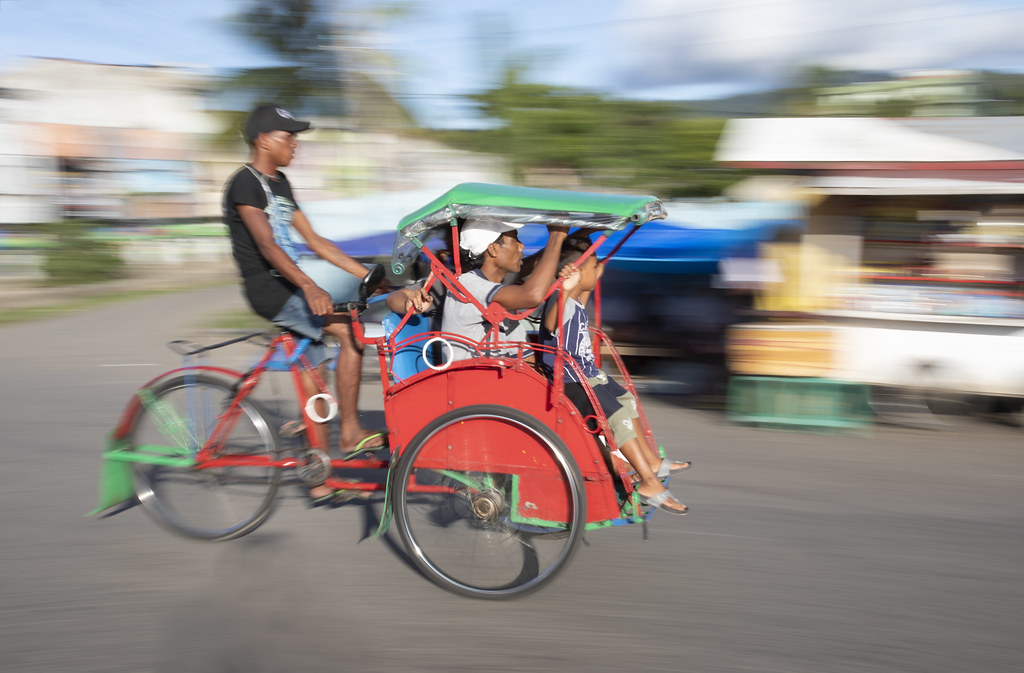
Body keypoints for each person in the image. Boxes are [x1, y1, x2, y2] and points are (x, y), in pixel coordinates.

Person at [222, 102, 387, 504]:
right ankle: (349, 431)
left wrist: (364, 275)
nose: (295, 144)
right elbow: (267, 244)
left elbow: (314, 241)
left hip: (289, 282)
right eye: (288, 136)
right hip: (269, 286)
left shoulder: (280, 184)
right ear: (263, 140)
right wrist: (310, 286)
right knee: (349, 332)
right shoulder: (244, 183)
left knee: (315, 383)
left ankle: (317, 477)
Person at [540, 235, 691, 515]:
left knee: (627, 400)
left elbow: (586, 285)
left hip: (587, 375)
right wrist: (565, 288)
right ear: (578, 272)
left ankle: (650, 462)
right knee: (617, 417)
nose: (598, 272)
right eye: (594, 267)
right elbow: (551, 322)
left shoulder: (576, 300)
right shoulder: (561, 300)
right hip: (572, 382)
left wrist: (593, 263)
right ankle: (649, 483)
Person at [440, 219, 571, 362]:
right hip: (470, 380)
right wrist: (556, 237)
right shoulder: (467, 284)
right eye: (515, 240)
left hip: (498, 379)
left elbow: (527, 359)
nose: (522, 246)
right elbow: (533, 296)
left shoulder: (500, 294)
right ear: (493, 249)